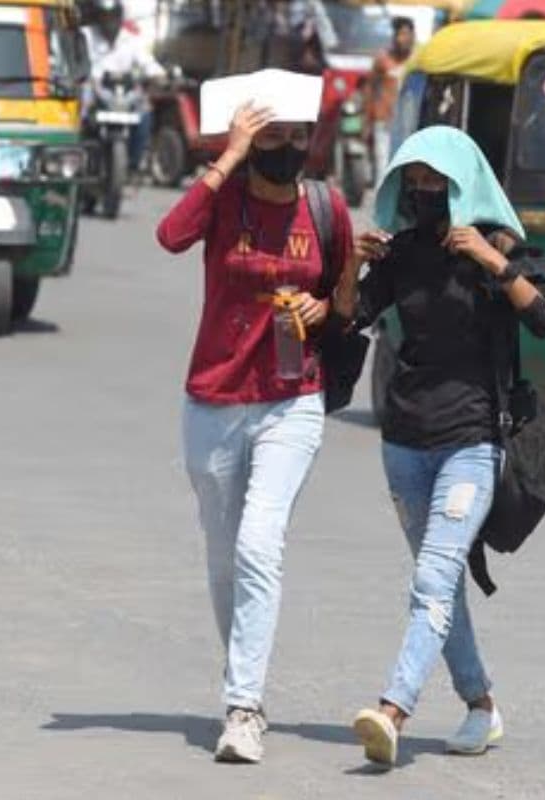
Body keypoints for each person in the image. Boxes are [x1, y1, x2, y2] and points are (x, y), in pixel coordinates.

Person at [331, 126, 545, 767]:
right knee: (442, 585)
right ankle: (481, 705)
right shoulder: (402, 253)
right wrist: (356, 262)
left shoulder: (499, 249)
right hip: (404, 442)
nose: (427, 191)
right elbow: (350, 317)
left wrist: (492, 261)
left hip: (472, 441)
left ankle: (392, 710)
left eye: (439, 181)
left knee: (432, 577)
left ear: (465, 185)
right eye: (417, 180)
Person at [155, 101, 353, 763]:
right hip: (214, 396)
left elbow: (344, 297)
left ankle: (244, 705)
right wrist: (228, 157)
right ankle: (243, 674)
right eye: (272, 136)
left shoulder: (326, 209)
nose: (285, 146)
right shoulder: (225, 199)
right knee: (222, 553)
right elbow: (170, 235)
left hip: (291, 399)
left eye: (297, 135)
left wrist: (320, 307)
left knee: (258, 543)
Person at [82, 0, 166, 170]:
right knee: (81, 111)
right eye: (104, 17)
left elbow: (147, 63)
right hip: (93, 91)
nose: (108, 21)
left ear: (119, 17)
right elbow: (76, 63)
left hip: (123, 93)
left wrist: (159, 75)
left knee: (145, 112)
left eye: (112, 16)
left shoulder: (131, 39)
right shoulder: (86, 36)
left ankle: (135, 161)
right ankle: (79, 160)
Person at [365, 17, 415, 185]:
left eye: (407, 34)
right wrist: (368, 119)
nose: (403, 39)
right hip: (385, 120)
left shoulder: (416, 61)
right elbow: (370, 88)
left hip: (407, 122)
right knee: (383, 165)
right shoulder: (383, 59)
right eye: (400, 34)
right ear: (394, 37)